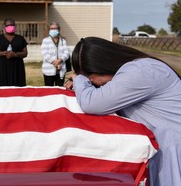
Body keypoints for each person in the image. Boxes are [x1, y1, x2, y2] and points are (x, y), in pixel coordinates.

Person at [65, 37, 181, 186]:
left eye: (92, 80)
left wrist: (79, 79)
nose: (93, 84)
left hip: (174, 150)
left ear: (103, 66)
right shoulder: (135, 69)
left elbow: (92, 103)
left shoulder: (140, 71)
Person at [0, 18, 28, 86]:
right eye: (8, 25)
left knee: (18, 89)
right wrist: (3, 53)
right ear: (4, 27)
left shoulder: (20, 38)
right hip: (3, 69)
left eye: (12, 25)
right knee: (3, 90)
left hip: (17, 69)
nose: (10, 27)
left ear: (15, 26)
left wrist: (14, 54)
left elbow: (25, 53)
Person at [41, 22, 70, 86]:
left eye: (55, 28)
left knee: (59, 90)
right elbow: (45, 53)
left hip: (61, 70)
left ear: (59, 29)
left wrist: (60, 60)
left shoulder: (63, 41)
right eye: (51, 28)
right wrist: (54, 62)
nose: (53, 30)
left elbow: (67, 53)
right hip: (48, 70)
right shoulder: (45, 40)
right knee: (48, 90)